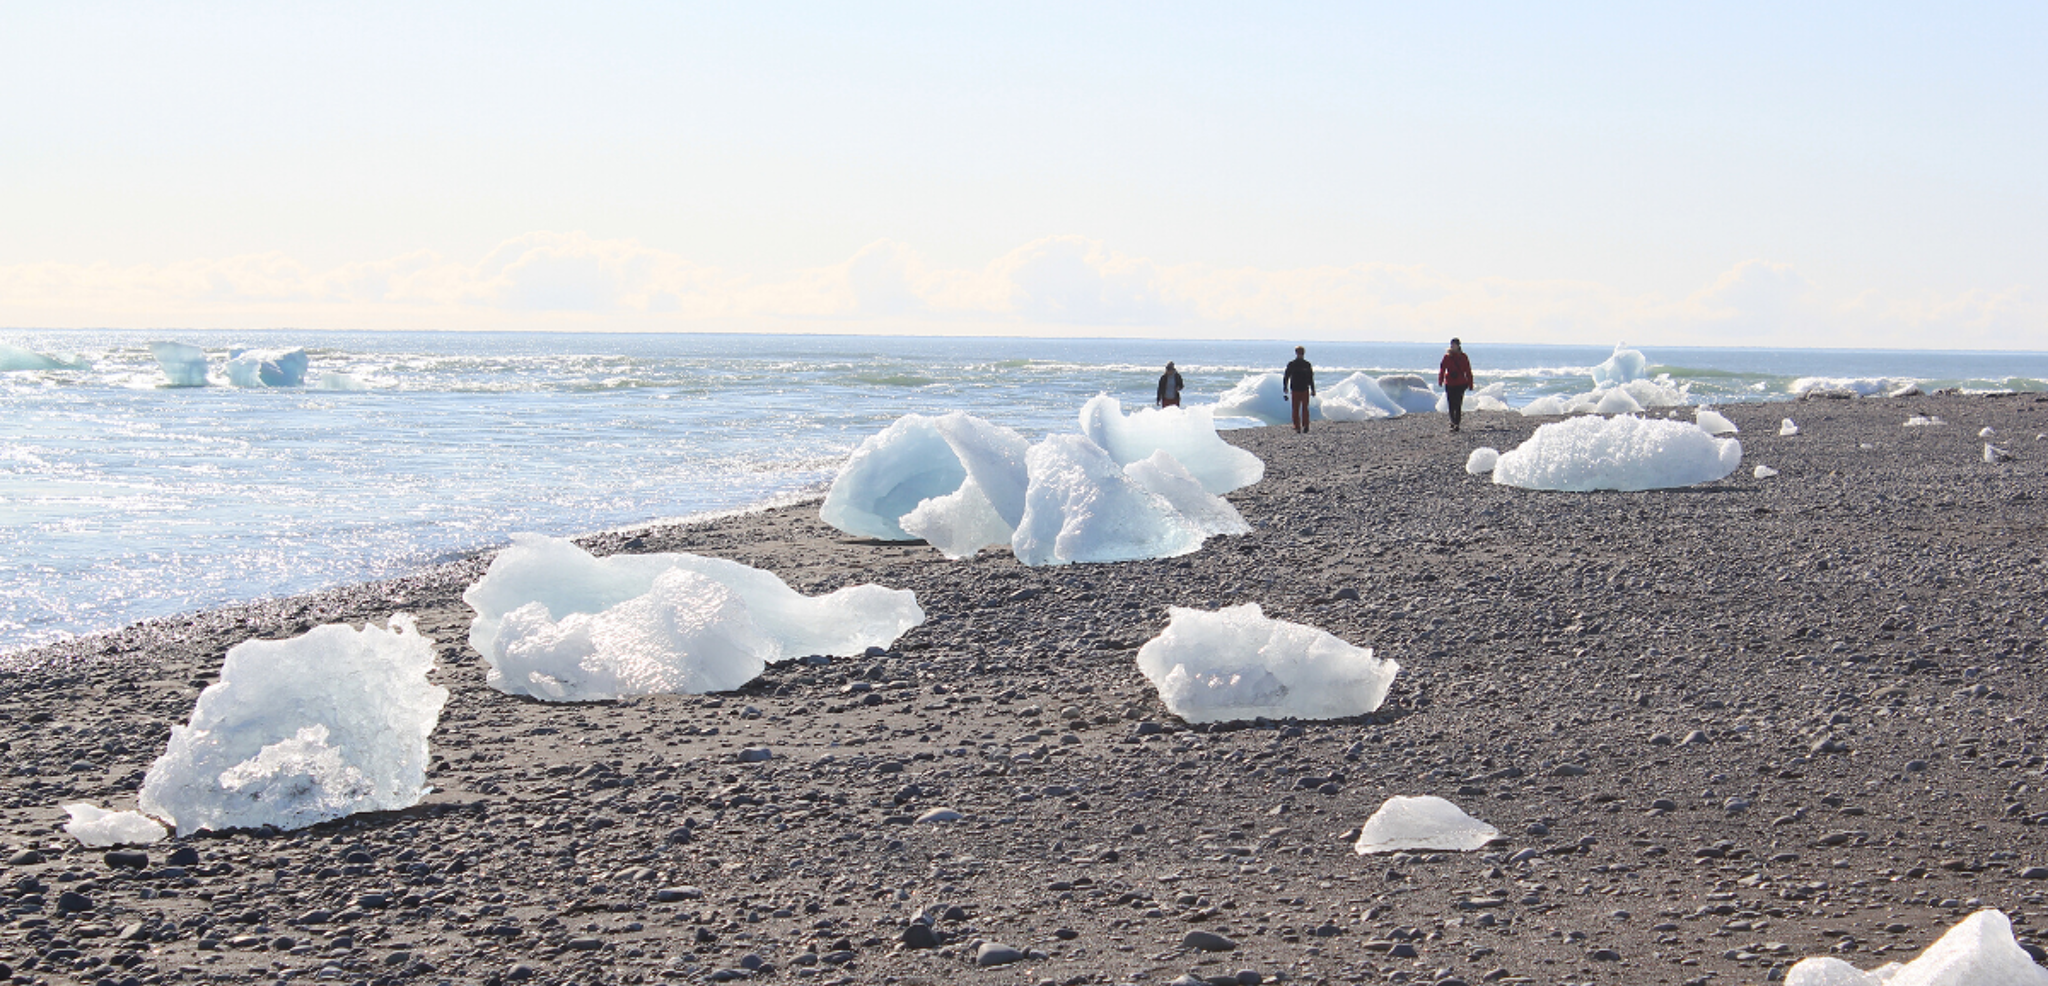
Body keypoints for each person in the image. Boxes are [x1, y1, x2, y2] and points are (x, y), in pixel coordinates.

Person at [1439, 337, 1474, 433]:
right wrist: (1440, 380)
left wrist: (1470, 384)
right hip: (1450, 383)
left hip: (1461, 383)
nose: (1452, 346)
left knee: (1458, 404)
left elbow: (1468, 371)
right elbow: (1442, 369)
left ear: (1458, 345)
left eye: (1454, 344)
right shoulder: (1447, 357)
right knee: (1451, 404)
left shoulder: (1463, 357)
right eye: (1451, 344)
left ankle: (1456, 424)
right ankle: (1452, 421)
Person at [1282, 346, 1315, 433]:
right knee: (1296, 409)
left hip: (1304, 389)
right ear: (1296, 353)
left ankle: (1305, 425)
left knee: (1304, 408)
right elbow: (1286, 376)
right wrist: (1285, 387)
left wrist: (1313, 389)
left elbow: (1311, 378)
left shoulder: (1306, 364)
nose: (1300, 355)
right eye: (1299, 353)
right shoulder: (1292, 364)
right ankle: (1297, 426)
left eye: (1301, 353)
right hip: (1296, 389)